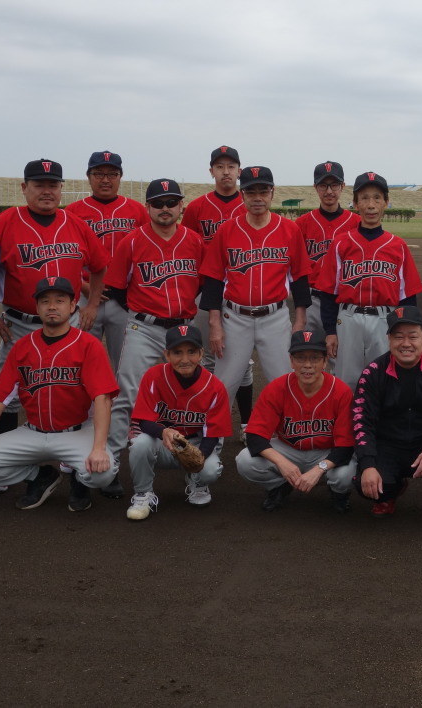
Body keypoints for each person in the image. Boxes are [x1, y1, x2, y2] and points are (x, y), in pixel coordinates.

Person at [0, 277, 118, 511]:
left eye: (60, 300)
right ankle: (39, 476)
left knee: (103, 474)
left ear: (73, 306)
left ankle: (79, 480)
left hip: (77, 432)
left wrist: (98, 447)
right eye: (45, 301)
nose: (52, 306)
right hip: (32, 432)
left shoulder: (89, 345)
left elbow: (102, 398)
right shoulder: (22, 347)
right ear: (37, 308)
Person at [101, 178, 205, 501]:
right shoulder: (132, 241)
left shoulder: (195, 241)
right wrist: (141, 311)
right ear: (147, 207)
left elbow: (202, 283)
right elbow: (116, 287)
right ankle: (111, 464)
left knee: (189, 396)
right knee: (127, 395)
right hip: (144, 328)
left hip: (183, 330)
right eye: (158, 203)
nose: (165, 208)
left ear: (181, 206)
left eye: (171, 202)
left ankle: (196, 465)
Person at [0, 158, 109, 433]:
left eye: (52, 185)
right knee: (8, 393)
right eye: (39, 184)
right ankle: (8, 453)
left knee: (76, 385)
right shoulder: (5, 222)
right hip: (19, 324)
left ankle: (80, 451)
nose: (46, 191)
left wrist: (92, 305)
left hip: (70, 323)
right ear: (24, 188)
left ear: (61, 189)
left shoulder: (75, 223)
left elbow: (100, 266)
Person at [199, 166, 312, 427]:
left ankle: (286, 439)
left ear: (272, 193)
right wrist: (215, 324)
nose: (258, 197)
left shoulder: (290, 230)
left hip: (275, 318)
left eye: (263, 190)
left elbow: (300, 278)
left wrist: (300, 321)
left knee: (283, 380)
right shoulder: (227, 230)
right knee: (224, 383)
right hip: (235, 318)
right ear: (242, 195)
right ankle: (211, 444)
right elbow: (213, 279)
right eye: (251, 192)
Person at [351, 306, 422, 536]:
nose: (406, 343)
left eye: (412, 336)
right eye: (398, 337)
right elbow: (361, 421)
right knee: (363, 482)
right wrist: (368, 464)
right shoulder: (372, 373)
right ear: (388, 339)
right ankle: (392, 490)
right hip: (389, 445)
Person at [318, 171, 422, 389]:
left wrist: (404, 333)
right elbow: (328, 293)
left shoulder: (398, 246)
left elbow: (408, 298)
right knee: (346, 383)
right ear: (355, 203)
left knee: (385, 381)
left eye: (377, 198)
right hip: (348, 319)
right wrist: (330, 331)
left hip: (385, 320)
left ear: (386, 202)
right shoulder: (341, 243)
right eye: (364, 198)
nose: (371, 205)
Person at [236, 330, 356, 513]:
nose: (307, 365)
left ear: (325, 361)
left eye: (314, 358)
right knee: (245, 461)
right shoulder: (277, 388)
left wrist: (319, 469)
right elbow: (254, 437)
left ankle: (339, 492)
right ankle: (279, 486)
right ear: (291, 361)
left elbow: (345, 446)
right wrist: (282, 463)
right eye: (300, 358)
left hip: (325, 453)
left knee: (346, 474)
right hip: (288, 450)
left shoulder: (341, 391)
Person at [125, 324, 231, 520]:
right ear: (166, 354)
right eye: (177, 352)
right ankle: (143, 494)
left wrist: (198, 458)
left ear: (201, 354)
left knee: (210, 470)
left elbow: (213, 433)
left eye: (191, 352)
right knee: (139, 444)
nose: (184, 359)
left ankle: (197, 482)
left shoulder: (215, 387)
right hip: (163, 443)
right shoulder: (154, 376)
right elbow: (144, 421)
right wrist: (163, 432)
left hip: (197, 442)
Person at [180, 145, 255, 422]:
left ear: (239, 170)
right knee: (208, 357)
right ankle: (205, 421)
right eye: (220, 167)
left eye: (231, 166)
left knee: (243, 360)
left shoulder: (249, 204)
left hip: (241, 293)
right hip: (206, 291)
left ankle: (245, 422)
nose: (226, 172)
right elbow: (185, 248)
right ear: (211, 171)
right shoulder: (197, 207)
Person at [63, 151, 149, 369]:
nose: (105, 179)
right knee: (80, 360)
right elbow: (64, 259)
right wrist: (84, 287)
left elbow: (147, 255)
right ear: (88, 176)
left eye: (112, 174)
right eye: (99, 173)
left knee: (124, 362)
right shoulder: (72, 212)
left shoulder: (137, 210)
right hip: (84, 296)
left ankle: (121, 394)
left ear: (120, 176)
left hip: (124, 298)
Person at [295, 161, 358, 362]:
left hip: (342, 301)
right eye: (323, 185)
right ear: (315, 187)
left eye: (334, 185)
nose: (329, 191)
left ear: (343, 186)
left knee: (341, 360)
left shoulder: (356, 223)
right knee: (310, 358)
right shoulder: (302, 224)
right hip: (312, 300)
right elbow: (296, 269)